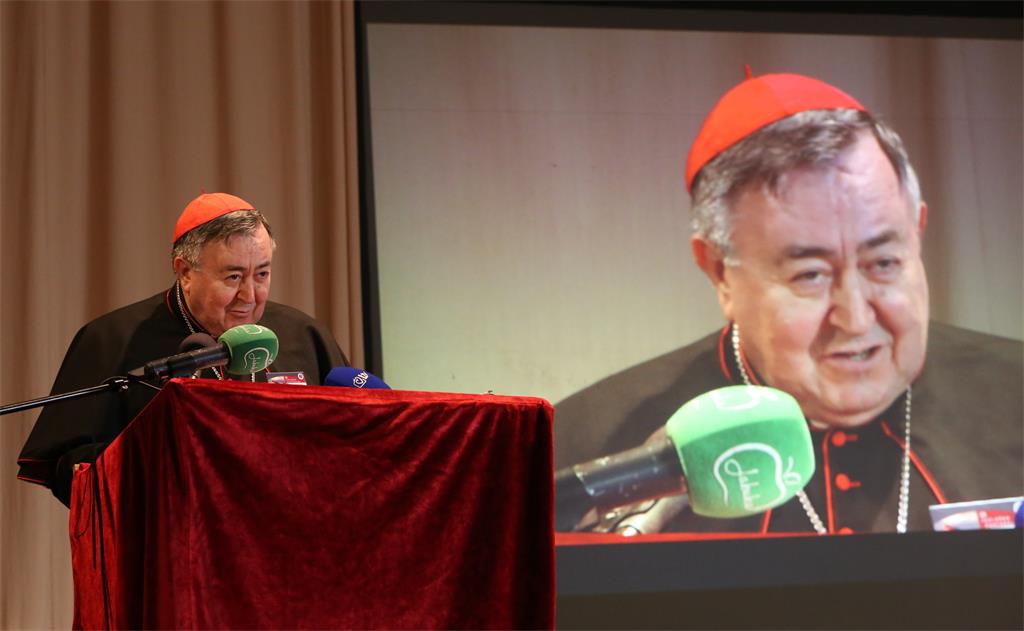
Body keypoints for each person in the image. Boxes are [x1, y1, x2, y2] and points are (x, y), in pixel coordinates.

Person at [554, 72, 1023, 534]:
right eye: (810, 276)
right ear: (720, 273)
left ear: (917, 232)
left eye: (883, 263)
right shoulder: (584, 449)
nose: (856, 319)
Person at [18, 192, 349, 507]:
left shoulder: (304, 335)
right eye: (234, 277)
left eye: (261, 273)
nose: (250, 296)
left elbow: (348, 443)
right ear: (186, 272)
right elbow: (67, 467)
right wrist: (157, 462)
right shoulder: (112, 339)